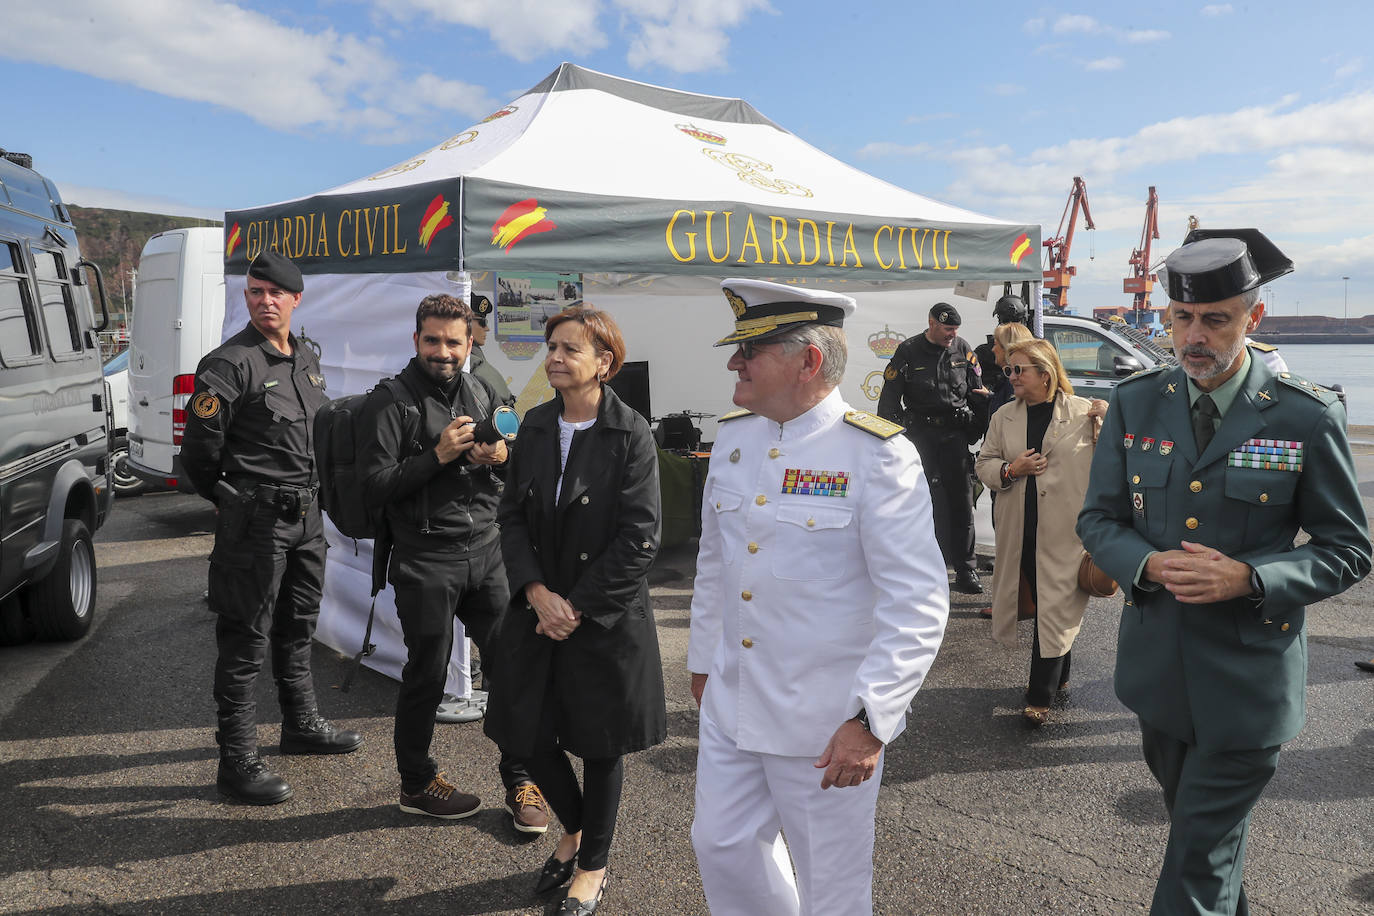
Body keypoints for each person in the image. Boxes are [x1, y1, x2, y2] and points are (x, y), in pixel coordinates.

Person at [1077, 228, 1371, 915]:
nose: (1193, 337)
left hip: (1248, 685)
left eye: (1215, 319)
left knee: (1196, 865)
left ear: (1253, 318)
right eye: (1181, 318)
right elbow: (1098, 519)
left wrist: (1253, 579)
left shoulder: (1304, 413)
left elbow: (1347, 548)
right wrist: (1144, 562)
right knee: (1204, 851)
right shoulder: (1135, 401)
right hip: (1158, 677)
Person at [688, 279, 950, 916]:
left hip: (825, 723)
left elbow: (916, 601)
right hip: (734, 697)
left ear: (807, 361)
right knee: (721, 845)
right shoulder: (735, 437)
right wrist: (702, 661)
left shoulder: (877, 455)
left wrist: (872, 720)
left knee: (830, 887)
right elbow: (715, 561)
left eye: (751, 350)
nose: (733, 363)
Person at [484, 305, 664, 915]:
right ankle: (577, 829)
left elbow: (639, 536)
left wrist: (576, 607)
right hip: (538, 607)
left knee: (598, 742)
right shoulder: (534, 424)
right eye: (551, 347)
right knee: (526, 731)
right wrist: (536, 592)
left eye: (569, 350)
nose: (554, 358)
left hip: (602, 614)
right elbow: (509, 518)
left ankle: (591, 863)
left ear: (604, 364)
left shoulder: (631, 432)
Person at [357, 293, 548, 833]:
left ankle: (521, 778)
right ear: (416, 340)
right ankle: (416, 783)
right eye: (433, 340)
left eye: (453, 342)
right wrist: (437, 456)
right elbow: (373, 489)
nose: (443, 351)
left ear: (471, 343)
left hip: (486, 552)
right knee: (427, 674)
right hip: (425, 557)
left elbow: (516, 455)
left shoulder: (485, 389)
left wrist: (501, 456)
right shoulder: (390, 402)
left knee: (510, 664)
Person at [182, 249, 363, 805]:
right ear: (248, 298)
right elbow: (198, 454)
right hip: (256, 520)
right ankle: (236, 758)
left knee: (298, 624)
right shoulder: (230, 364)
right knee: (245, 635)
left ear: (294, 299)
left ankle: (300, 724)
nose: (264, 301)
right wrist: (230, 500)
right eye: (255, 292)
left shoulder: (304, 356)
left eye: (275, 293)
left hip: (307, 516)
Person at [975, 339, 1106, 725]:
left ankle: (1039, 697)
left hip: (1067, 530)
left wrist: (1110, 420)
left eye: (1019, 370)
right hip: (1019, 528)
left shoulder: (1084, 412)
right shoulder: (1003, 416)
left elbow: (1114, 458)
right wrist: (1010, 469)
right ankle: (1060, 675)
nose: (1011, 377)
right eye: (1009, 370)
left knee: (1056, 606)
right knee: (1048, 603)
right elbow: (984, 464)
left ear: (1045, 375)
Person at [877, 302, 987, 593]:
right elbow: (888, 400)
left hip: (954, 436)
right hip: (921, 436)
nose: (952, 334)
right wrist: (900, 435)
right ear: (932, 323)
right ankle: (923, 570)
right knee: (918, 502)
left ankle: (966, 570)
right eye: (947, 328)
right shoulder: (909, 351)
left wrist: (975, 426)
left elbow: (978, 392)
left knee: (962, 502)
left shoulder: (963, 349)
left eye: (955, 329)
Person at [468, 293, 516, 408]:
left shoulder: (474, 358)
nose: (487, 328)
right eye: (482, 322)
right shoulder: (471, 362)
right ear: (465, 322)